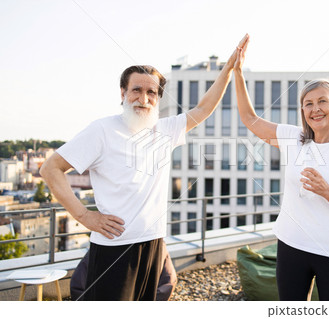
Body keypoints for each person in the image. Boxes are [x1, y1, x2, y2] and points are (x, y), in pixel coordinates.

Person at [40, 35, 250, 301]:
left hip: (153, 243)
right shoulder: (101, 130)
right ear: (123, 93)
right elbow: (50, 168)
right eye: (136, 90)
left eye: (151, 92)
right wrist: (84, 216)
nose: (143, 98)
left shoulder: (165, 130)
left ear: (158, 98)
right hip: (113, 248)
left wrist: (230, 67)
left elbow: (204, 107)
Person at [233, 38, 329, 301]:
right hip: (291, 246)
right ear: (302, 109)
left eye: (322, 101)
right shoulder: (293, 138)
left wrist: (327, 191)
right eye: (308, 103)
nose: (315, 109)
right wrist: (238, 73)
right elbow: (250, 119)